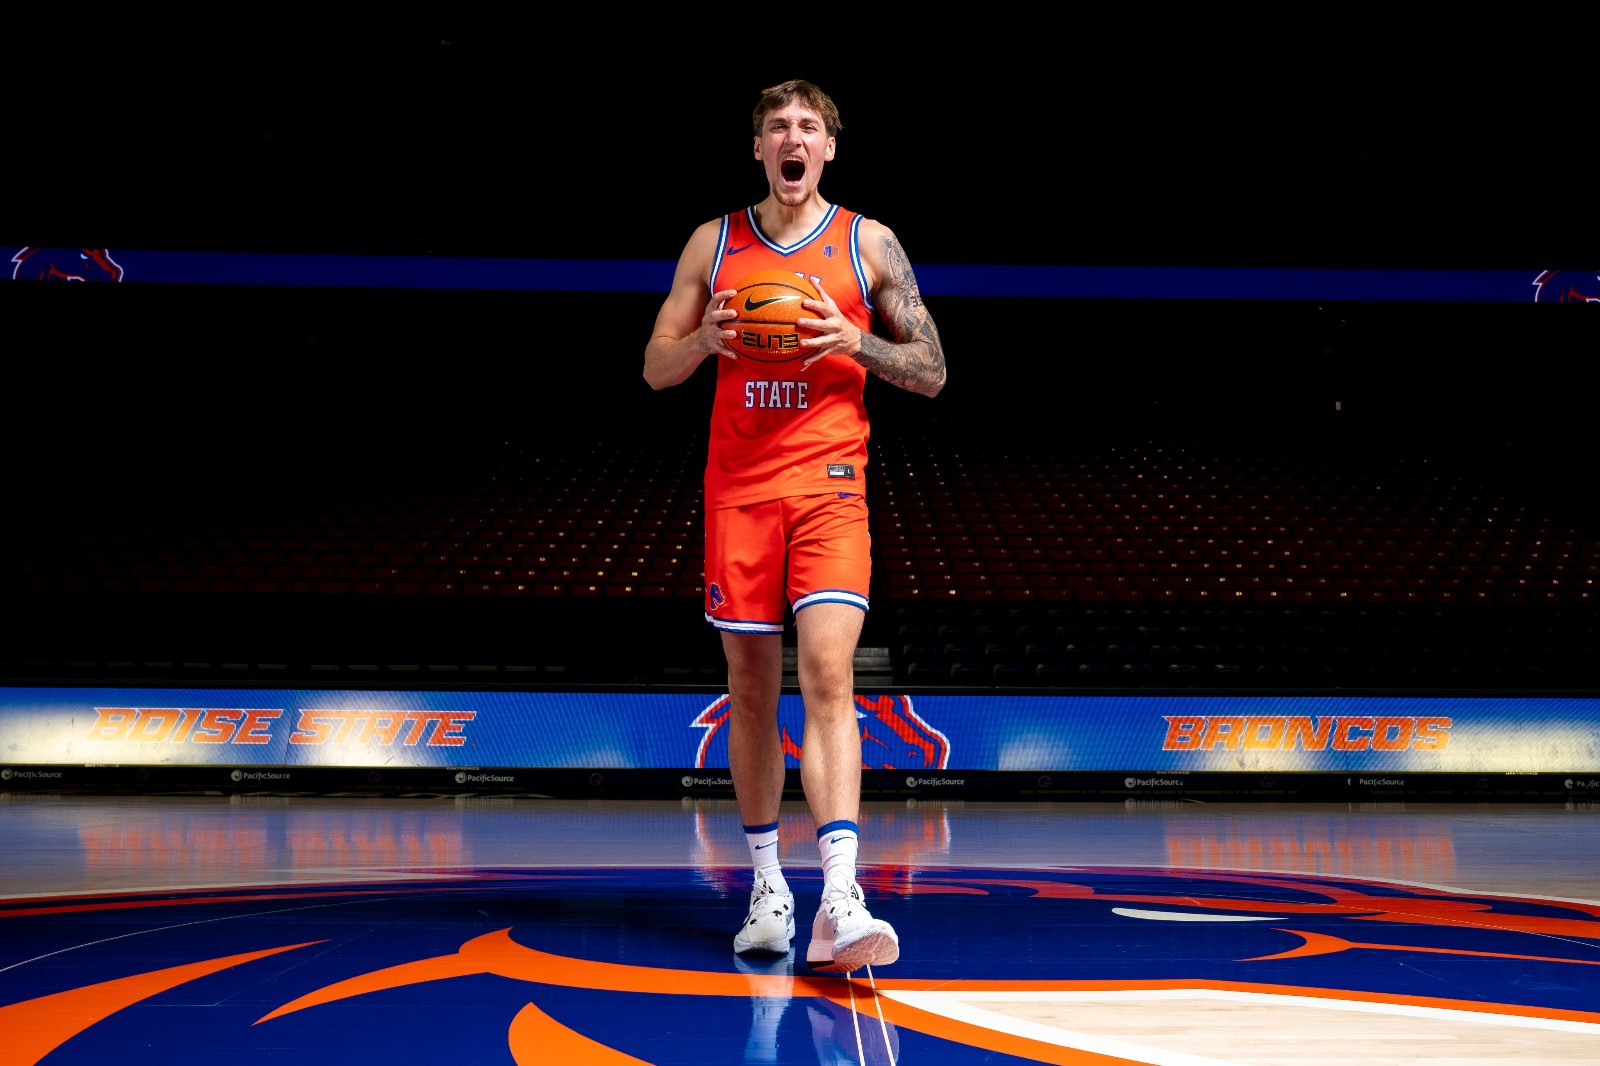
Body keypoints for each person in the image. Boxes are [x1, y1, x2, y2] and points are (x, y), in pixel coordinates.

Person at [643, 78, 947, 972]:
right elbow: (655, 365)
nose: (793, 137)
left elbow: (932, 369)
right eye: (778, 125)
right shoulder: (714, 242)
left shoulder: (867, 241)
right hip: (739, 491)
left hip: (829, 485)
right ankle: (769, 887)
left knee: (828, 675)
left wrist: (855, 341)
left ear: (829, 148)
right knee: (749, 690)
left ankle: (841, 897)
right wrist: (705, 342)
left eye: (809, 126)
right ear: (759, 147)